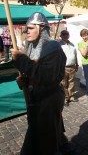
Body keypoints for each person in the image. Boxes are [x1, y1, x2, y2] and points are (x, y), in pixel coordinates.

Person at [10, 12, 69, 154]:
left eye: (30, 28)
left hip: (49, 100)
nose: (26, 31)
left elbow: (46, 76)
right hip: (37, 100)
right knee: (43, 138)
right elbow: (36, 73)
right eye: (26, 28)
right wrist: (26, 81)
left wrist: (21, 59)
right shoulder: (34, 47)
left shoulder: (53, 47)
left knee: (45, 143)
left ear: (41, 28)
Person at [60, 30, 79, 107]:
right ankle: (65, 98)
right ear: (61, 36)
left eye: (67, 34)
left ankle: (71, 96)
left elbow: (75, 55)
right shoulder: (59, 45)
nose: (65, 35)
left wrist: (77, 64)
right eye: (64, 34)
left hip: (72, 66)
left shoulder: (72, 44)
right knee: (64, 83)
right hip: (63, 67)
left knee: (71, 82)